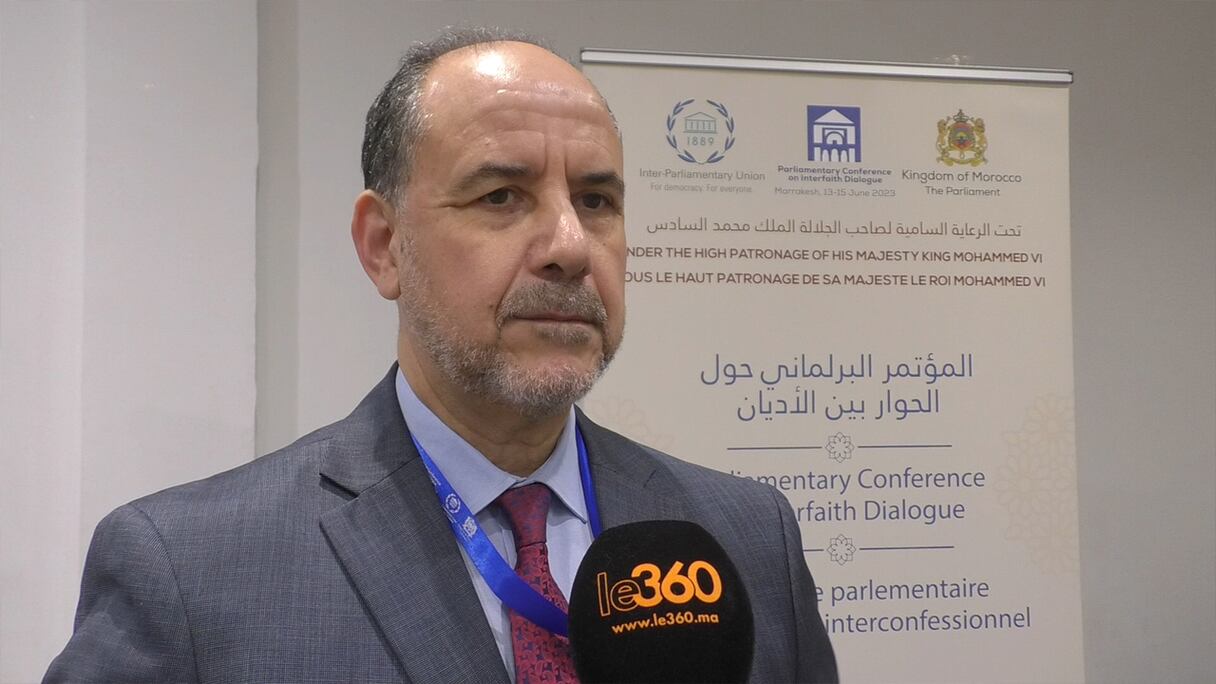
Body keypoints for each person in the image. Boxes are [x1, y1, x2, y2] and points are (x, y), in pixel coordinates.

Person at [45, 28, 837, 683]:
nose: (569, 245)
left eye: (596, 200)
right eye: (502, 197)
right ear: (383, 246)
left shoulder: (745, 536)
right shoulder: (189, 572)